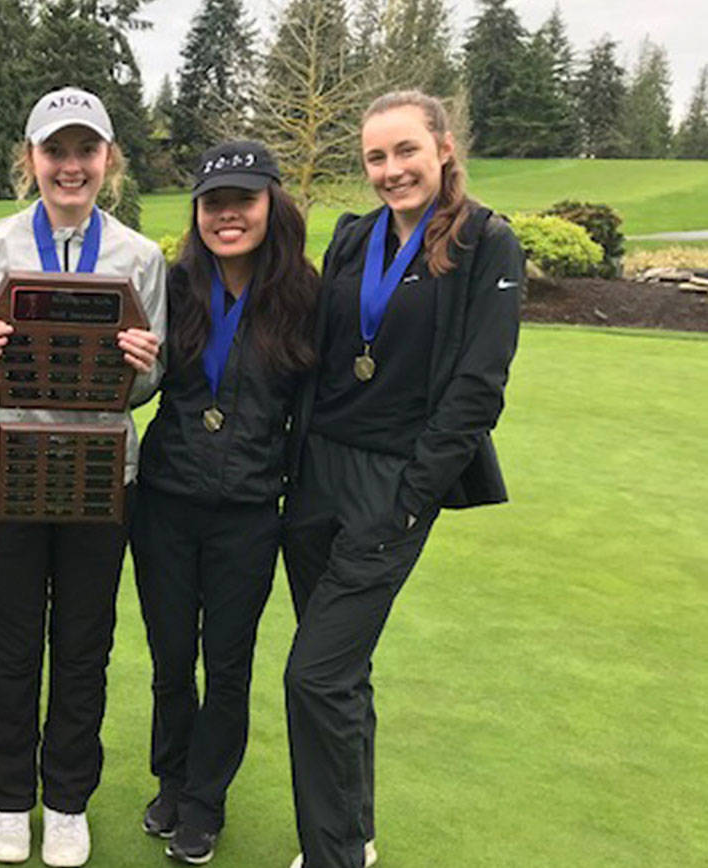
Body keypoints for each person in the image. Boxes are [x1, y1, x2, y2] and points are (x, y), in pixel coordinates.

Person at [282, 90, 523, 868]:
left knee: (314, 677)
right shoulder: (355, 237)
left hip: (393, 486)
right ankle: (354, 833)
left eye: (406, 152)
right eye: (376, 158)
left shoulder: (488, 242)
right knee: (341, 675)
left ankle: (334, 855)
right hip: (317, 474)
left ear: (444, 147)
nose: (391, 171)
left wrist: (413, 496)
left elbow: (478, 389)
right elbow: (315, 349)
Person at [0, 86, 166, 867]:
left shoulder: (140, 256)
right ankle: (9, 800)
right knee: (7, 640)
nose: (69, 166)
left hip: (101, 473)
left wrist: (144, 368)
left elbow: (145, 384)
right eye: (55, 151)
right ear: (31, 159)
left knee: (84, 641)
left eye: (85, 151)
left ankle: (67, 800)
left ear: (107, 161)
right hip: (2, 466)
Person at [130, 141, 318, 865]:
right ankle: (172, 781)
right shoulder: (173, 286)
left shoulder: (304, 295)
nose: (228, 215)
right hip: (167, 502)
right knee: (172, 660)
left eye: (243, 200)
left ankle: (207, 802)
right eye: (213, 202)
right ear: (198, 212)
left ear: (273, 204)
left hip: (247, 511)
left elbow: (311, 412)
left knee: (228, 663)